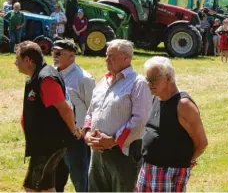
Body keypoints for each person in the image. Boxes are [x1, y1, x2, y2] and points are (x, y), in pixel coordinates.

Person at [83, 39, 152, 192]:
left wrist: (113, 140)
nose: (107, 59)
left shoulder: (137, 83)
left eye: (112, 56)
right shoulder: (103, 81)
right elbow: (90, 112)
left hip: (123, 153)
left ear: (127, 58)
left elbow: (140, 119)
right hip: (97, 153)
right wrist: (87, 134)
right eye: (106, 55)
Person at [136, 57, 208, 192]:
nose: (149, 84)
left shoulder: (183, 105)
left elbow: (202, 143)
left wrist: (187, 160)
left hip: (169, 172)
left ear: (168, 79)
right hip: (148, 169)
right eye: (147, 80)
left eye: (153, 80)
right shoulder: (156, 98)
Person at [15, 41, 76, 192]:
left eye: (17, 59)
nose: (15, 62)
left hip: (50, 143)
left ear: (28, 60)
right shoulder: (35, 78)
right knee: (45, 187)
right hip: (43, 144)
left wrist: (73, 132)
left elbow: (65, 109)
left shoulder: (46, 78)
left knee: (32, 187)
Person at [51, 40, 95, 192]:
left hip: (76, 139)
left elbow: (93, 108)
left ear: (71, 57)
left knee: (82, 181)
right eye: (53, 52)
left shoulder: (83, 78)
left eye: (58, 53)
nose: (54, 56)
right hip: (56, 137)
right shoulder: (51, 74)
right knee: (55, 181)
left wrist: (85, 132)